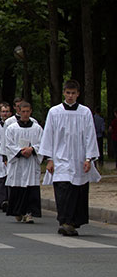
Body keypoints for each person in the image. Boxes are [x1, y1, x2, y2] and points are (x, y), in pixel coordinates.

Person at [40, 80, 101, 236]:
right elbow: (48, 135)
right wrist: (49, 159)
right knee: (63, 190)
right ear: (64, 93)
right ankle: (65, 221)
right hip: (60, 158)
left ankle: (72, 222)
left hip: (79, 158)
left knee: (77, 191)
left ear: (78, 94)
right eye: (68, 93)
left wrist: (89, 158)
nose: (70, 96)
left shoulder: (85, 112)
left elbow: (90, 135)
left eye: (73, 93)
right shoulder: (54, 112)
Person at [4, 102, 43, 223]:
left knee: (31, 188)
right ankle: (18, 211)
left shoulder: (37, 128)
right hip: (18, 163)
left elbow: (42, 143)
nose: (25, 114)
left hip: (31, 162)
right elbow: (8, 144)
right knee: (17, 187)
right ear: (19, 111)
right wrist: (20, 151)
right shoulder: (12, 128)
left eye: (27, 111)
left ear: (31, 111)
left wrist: (32, 149)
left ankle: (29, 213)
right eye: (23, 111)